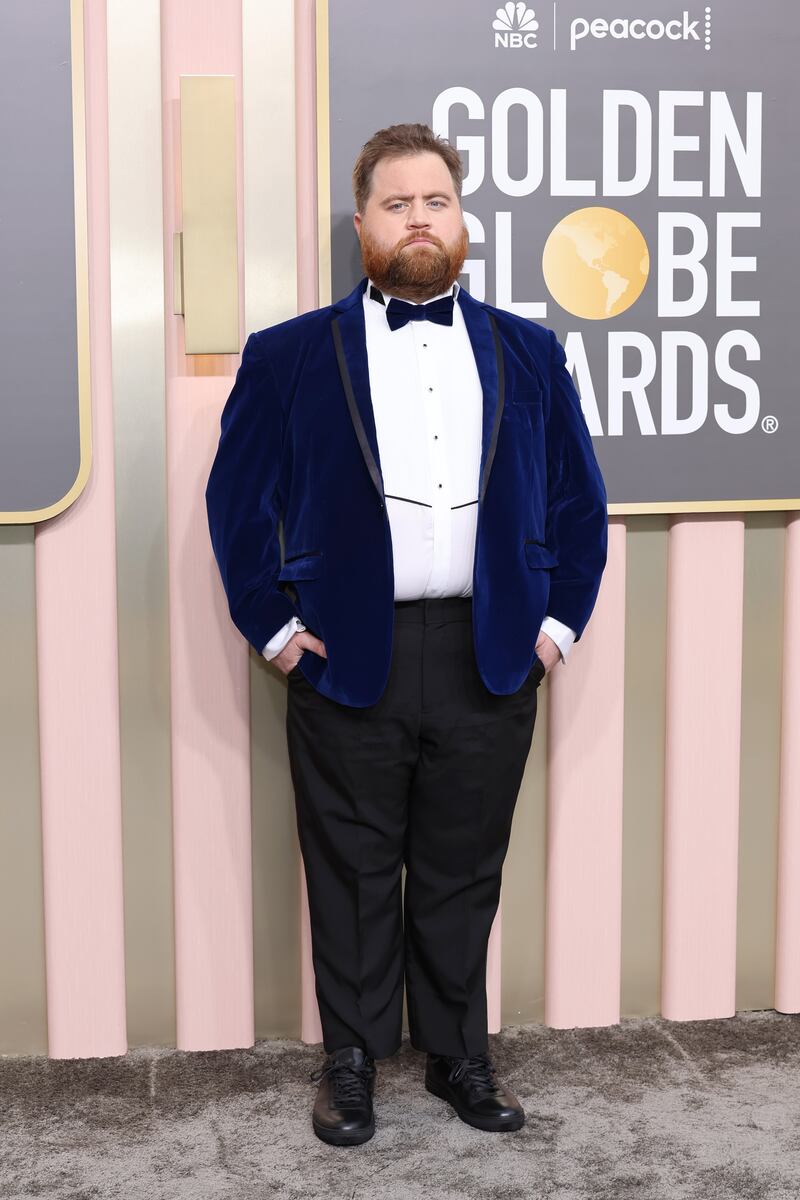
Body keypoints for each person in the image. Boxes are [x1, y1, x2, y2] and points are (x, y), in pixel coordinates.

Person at [205, 123, 608, 1146]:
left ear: (461, 219)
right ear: (362, 226)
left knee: (463, 865)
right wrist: (276, 632)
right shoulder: (290, 354)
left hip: (488, 654)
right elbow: (235, 504)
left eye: (436, 200)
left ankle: (457, 1056)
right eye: (397, 203)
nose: (419, 218)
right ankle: (349, 1063)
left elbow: (575, 503)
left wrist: (554, 629)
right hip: (347, 657)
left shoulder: (528, 349)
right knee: (347, 865)